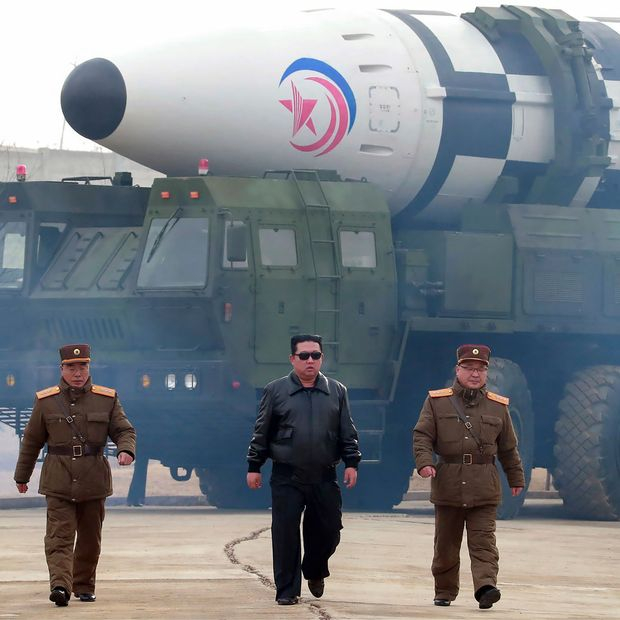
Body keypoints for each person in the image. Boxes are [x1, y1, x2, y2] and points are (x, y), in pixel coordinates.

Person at [14, 344, 136, 607]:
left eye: (82, 366)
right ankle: (60, 585)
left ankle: (83, 585)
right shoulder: (46, 401)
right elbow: (32, 441)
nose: (77, 372)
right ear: (62, 369)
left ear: (89, 368)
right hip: (58, 479)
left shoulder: (107, 398)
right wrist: (22, 476)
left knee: (90, 539)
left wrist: (126, 450)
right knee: (59, 536)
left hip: (94, 479)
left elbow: (125, 430)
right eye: (71, 367)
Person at [246, 334, 361, 605]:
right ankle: (287, 591)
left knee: (330, 530)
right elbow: (261, 431)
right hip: (287, 475)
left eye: (316, 355)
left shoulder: (337, 391)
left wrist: (352, 462)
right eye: (304, 356)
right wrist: (254, 465)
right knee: (285, 534)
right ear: (292, 359)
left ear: (322, 358)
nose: (310, 361)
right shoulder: (275, 391)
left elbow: (348, 430)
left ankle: (314, 569)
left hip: (324, 474)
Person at [413, 344, 524, 610]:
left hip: (484, 484)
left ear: (486, 373)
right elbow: (422, 436)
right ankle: (444, 590)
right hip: (448, 482)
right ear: (458, 370)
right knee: (446, 545)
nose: (475, 374)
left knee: (484, 542)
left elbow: (509, 447)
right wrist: (424, 463)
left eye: (480, 369)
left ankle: (486, 587)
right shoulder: (437, 402)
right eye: (469, 368)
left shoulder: (498, 407)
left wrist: (516, 478)